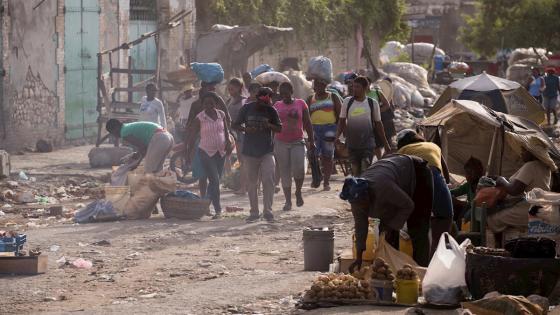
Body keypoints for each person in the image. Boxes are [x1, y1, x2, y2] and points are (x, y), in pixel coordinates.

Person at [345, 154, 433, 270]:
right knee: (385, 235)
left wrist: (392, 226)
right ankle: (392, 271)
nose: (362, 208)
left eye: (363, 204)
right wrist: (359, 257)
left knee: (417, 227)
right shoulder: (356, 200)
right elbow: (361, 227)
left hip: (416, 172)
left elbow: (408, 205)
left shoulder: (382, 188)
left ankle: (420, 273)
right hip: (393, 176)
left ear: (367, 196)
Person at [396, 129, 453, 255]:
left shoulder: (402, 151)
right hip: (436, 180)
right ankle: (438, 255)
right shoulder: (433, 146)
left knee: (419, 230)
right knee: (445, 217)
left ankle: (420, 265)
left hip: (417, 185)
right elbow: (446, 175)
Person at [488, 137, 557, 236]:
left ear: (532, 153)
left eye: (524, 150)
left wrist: (501, 180)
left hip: (530, 208)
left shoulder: (531, 166)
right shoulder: (545, 168)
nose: (521, 152)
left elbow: (514, 190)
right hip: (541, 207)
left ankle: (495, 247)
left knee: (493, 219)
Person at [233, 87, 282, 223]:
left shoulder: (271, 110)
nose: (264, 106)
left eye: (266, 103)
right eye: (262, 102)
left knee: (268, 179)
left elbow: (279, 128)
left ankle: (268, 211)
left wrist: (269, 125)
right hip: (249, 152)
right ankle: (254, 212)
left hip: (267, 151)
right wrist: (246, 129)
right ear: (257, 98)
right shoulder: (247, 108)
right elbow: (235, 125)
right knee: (252, 183)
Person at [185, 92, 233, 219]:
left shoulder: (221, 114)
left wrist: (228, 142)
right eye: (206, 103)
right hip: (205, 152)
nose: (209, 105)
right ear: (203, 105)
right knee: (215, 180)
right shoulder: (199, 118)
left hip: (221, 151)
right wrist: (188, 151)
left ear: (216, 104)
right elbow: (192, 136)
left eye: (211, 103)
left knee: (215, 181)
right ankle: (212, 207)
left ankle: (213, 208)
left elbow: (226, 130)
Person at [336, 76, 391, 176]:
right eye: (353, 86)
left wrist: (386, 144)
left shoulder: (372, 103)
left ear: (365, 88)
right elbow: (342, 121)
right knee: (355, 172)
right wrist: (337, 137)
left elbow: (378, 124)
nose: (354, 89)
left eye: (357, 87)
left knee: (365, 170)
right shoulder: (347, 102)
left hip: (367, 144)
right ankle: (357, 190)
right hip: (352, 144)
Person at [273, 82, 315, 211]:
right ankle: (287, 201)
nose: (284, 96)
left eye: (286, 93)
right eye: (282, 94)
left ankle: (298, 191)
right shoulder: (277, 105)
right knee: (284, 171)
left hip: (298, 141)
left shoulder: (301, 103)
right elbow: (273, 123)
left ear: (292, 92)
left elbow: (308, 123)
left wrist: (312, 140)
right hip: (281, 142)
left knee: (299, 168)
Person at [307, 78, 342, 190]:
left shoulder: (333, 96)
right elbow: (305, 116)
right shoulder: (310, 99)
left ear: (326, 85)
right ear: (313, 86)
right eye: (316, 84)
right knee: (313, 155)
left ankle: (326, 182)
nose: (319, 86)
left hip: (329, 128)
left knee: (327, 156)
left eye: (322, 84)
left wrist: (339, 132)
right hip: (314, 129)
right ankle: (317, 177)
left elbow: (341, 115)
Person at [106, 119, 174, 174]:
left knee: (149, 170)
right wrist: (137, 154)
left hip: (160, 138)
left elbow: (143, 148)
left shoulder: (124, 133)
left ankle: (150, 190)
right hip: (168, 136)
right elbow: (145, 148)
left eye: (112, 133)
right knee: (157, 169)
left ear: (115, 129)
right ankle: (161, 189)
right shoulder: (127, 127)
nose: (114, 136)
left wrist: (136, 164)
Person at [450, 157, 484, 230]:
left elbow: (474, 204)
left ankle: (461, 232)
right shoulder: (468, 185)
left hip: (476, 218)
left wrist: (458, 202)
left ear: (475, 174)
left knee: (467, 210)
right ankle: (457, 229)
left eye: (467, 173)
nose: (466, 176)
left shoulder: (482, 187)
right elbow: (456, 191)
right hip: (470, 213)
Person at [226, 78, 248, 194]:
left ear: (239, 88)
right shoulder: (230, 100)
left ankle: (244, 187)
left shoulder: (244, 101)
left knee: (243, 161)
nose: (230, 91)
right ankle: (240, 185)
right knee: (239, 160)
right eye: (229, 89)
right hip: (232, 134)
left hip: (241, 134)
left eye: (232, 89)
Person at [368, 78, 396, 157]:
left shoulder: (376, 92)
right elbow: (391, 107)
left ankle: (381, 159)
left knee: (380, 142)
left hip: (383, 120)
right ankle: (383, 158)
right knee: (385, 141)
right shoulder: (381, 93)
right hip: (385, 121)